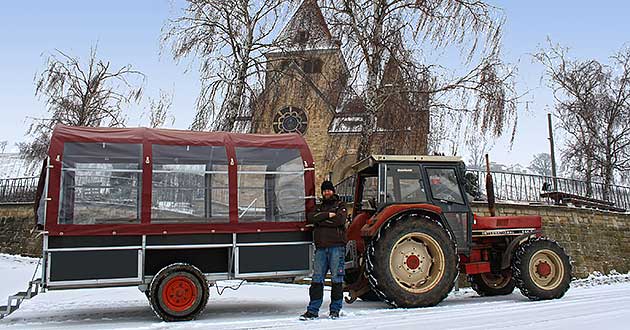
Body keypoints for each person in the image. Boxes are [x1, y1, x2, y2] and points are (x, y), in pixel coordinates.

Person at [300, 180, 348, 320]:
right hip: (321, 248)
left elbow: (339, 221)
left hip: (336, 247)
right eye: (324, 190)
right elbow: (310, 217)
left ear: (333, 191)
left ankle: (335, 310)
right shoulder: (318, 207)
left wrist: (320, 221)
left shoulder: (341, 205)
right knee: (317, 279)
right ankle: (313, 310)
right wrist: (328, 216)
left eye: (329, 190)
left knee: (336, 279)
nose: (327, 192)